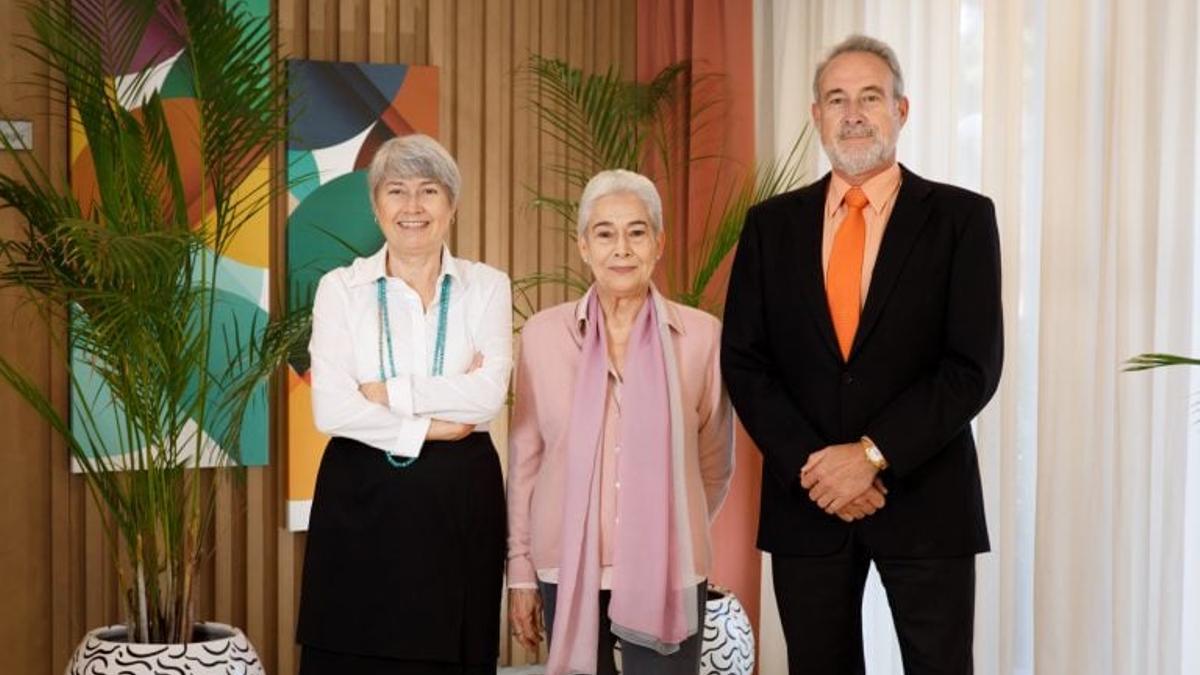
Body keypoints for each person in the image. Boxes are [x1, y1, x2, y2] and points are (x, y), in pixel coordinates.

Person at [721, 35, 1003, 675]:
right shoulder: (770, 226)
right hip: (807, 504)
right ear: (816, 115)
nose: (853, 113)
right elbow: (745, 360)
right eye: (836, 99)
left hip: (928, 502)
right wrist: (818, 470)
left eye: (870, 98)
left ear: (902, 111)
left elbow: (972, 367)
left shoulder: (962, 219)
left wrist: (871, 455)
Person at [296, 134, 513, 675]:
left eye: (429, 191)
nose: (412, 207)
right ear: (376, 206)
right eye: (397, 191)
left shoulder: (486, 287)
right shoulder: (340, 289)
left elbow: (488, 393)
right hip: (360, 495)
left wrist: (388, 392)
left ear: (451, 205)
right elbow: (331, 409)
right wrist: (433, 428)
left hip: (460, 500)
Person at [506, 169, 735, 675]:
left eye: (637, 231)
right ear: (584, 246)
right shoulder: (543, 337)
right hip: (564, 561)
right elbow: (525, 462)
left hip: (669, 566)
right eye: (605, 233)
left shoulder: (701, 337)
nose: (622, 248)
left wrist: (669, 525)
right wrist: (520, 573)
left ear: (658, 243)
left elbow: (714, 462)